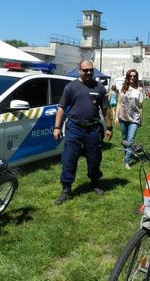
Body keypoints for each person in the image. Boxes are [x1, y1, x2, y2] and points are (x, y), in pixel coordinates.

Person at [53, 60, 113, 205]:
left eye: (91, 70)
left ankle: (95, 183)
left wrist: (110, 128)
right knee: (69, 158)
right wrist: (57, 127)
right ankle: (66, 189)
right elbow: (61, 107)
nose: (88, 72)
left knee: (94, 158)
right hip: (74, 128)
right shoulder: (71, 87)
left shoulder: (99, 88)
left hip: (93, 129)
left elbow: (105, 110)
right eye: (85, 70)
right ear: (79, 70)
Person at [115, 69, 144, 170]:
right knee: (124, 138)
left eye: (134, 76)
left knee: (130, 139)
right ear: (127, 77)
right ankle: (126, 151)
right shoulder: (122, 88)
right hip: (123, 117)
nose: (132, 77)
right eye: (130, 76)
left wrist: (141, 119)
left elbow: (140, 106)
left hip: (135, 118)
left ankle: (127, 161)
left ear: (136, 77)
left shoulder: (140, 90)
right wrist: (116, 116)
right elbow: (119, 103)